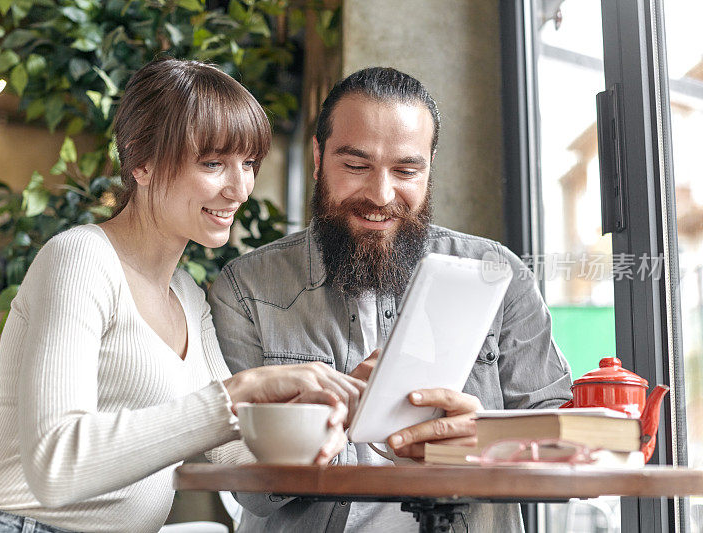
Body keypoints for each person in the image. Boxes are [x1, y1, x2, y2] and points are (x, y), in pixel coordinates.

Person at [0, 58, 364, 533]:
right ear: (141, 161)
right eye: (213, 163)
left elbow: (237, 452)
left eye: (249, 164)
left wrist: (342, 407)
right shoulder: (81, 259)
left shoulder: (189, 297)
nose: (240, 188)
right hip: (0, 525)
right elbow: (56, 464)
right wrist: (235, 395)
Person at [208, 67, 574, 532]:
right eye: (356, 166)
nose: (381, 195)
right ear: (319, 158)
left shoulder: (496, 276)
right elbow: (247, 488)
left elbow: (566, 444)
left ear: (429, 167)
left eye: (405, 170)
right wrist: (325, 423)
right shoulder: (248, 288)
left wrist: (486, 439)